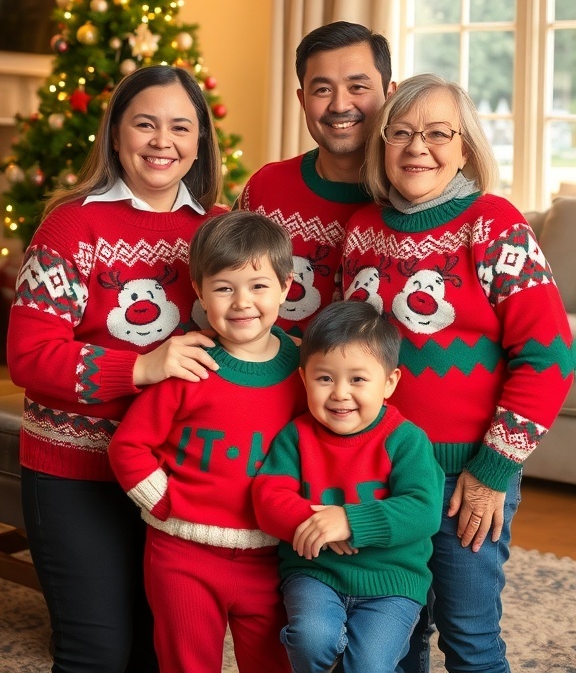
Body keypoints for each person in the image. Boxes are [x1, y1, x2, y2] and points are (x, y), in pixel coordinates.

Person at [341, 73, 575, 673]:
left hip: (464, 480)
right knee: (392, 635)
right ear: (382, 145)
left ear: (465, 146)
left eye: (438, 133)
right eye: (402, 133)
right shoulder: (362, 229)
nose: (418, 147)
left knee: (469, 636)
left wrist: (494, 468)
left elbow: (549, 355)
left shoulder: (494, 225)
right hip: (381, 474)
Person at [7, 64, 227, 673]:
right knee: (96, 651)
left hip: (177, 468)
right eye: (145, 124)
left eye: (181, 127)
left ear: (201, 140)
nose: (163, 142)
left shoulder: (214, 229)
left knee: (164, 649)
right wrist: (142, 367)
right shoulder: (71, 227)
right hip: (75, 470)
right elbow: (29, 356)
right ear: (115, 133)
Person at [108, 210, 308, 673]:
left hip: (271, 557)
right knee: (187, 661)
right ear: (199, 290)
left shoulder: (304, 367)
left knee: (273, 660)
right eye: (223, 287)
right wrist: (165, 503)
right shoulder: (190, 362)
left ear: (285, 285)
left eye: (258, 285)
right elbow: (129, 447)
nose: (242, 302)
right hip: (183, 556)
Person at [252, 299, 444, 673]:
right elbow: (267, 498)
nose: (340, 393)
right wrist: (322, 525)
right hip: (315, 573)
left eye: (357, 379)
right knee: (311, 638)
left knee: (370, 664)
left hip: (392, 583)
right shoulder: (297, 435)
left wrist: (351, 522)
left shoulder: (407, 439)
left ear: (389, 383)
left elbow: (423, 509)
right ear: (305, 378)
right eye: (325, 378)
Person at [238, 20, 394, 338]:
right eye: (322, 90)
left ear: (390, 95)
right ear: (302, 100)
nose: (339, 105)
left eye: (358, 87)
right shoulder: (265, 189)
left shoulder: (414, 198)